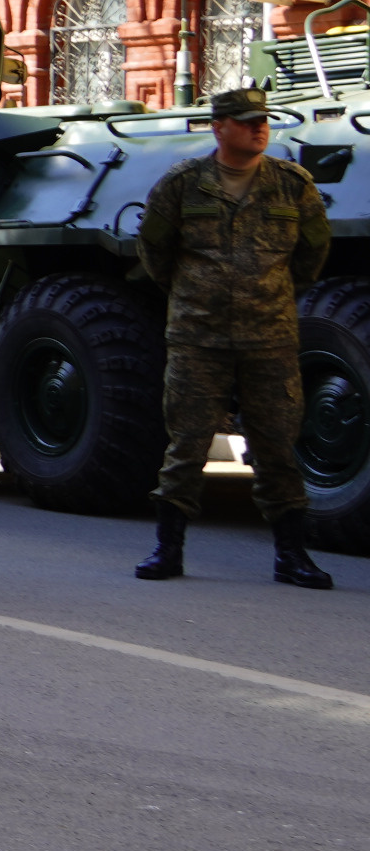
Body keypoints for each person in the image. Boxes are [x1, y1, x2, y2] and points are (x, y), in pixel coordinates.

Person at [132, 86, 336, 589]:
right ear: (219, 127)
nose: (259, 128)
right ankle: (168, 549)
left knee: (277, 448)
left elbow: (312, 254)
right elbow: (154, 252)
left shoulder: (292, 185)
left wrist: (267, 296)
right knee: (186, 445)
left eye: (263, 121)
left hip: (270, 338)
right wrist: (196, 296)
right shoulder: (183, 184)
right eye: (246, 121)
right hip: (198, 338)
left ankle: (291, 556)